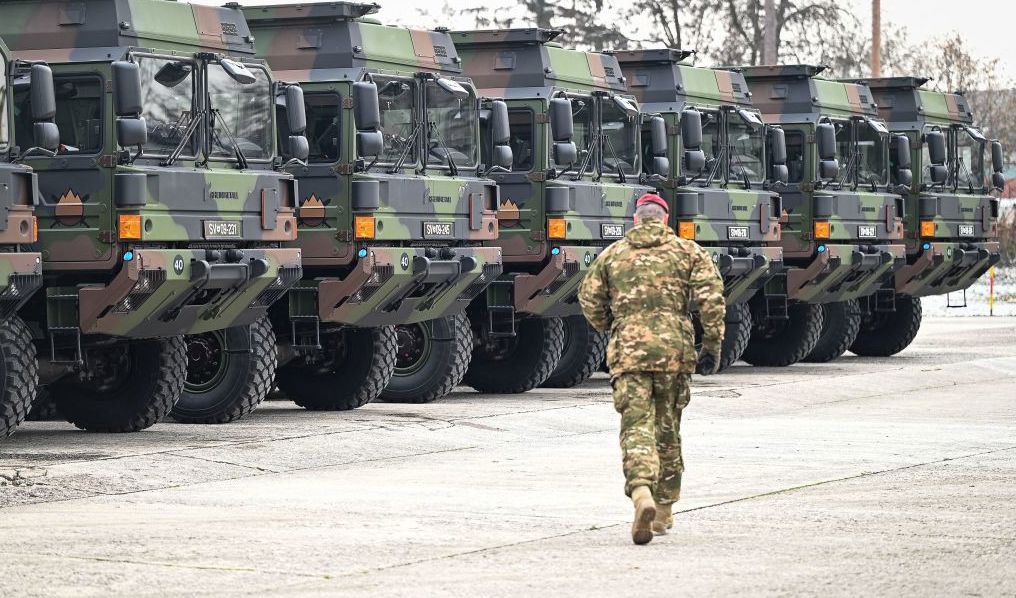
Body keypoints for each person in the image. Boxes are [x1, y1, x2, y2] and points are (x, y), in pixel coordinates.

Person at [578, 192, 725, 545]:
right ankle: (663, 509)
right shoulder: (688, 252)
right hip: (674, 352)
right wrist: (712, 346)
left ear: (635, 220)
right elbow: (712, 298)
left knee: (636, 426)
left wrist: (615, 327)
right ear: (665, 220)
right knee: (667, 429)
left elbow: (589, 299)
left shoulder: (614, 255)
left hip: (628, 353)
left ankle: (641, 490)